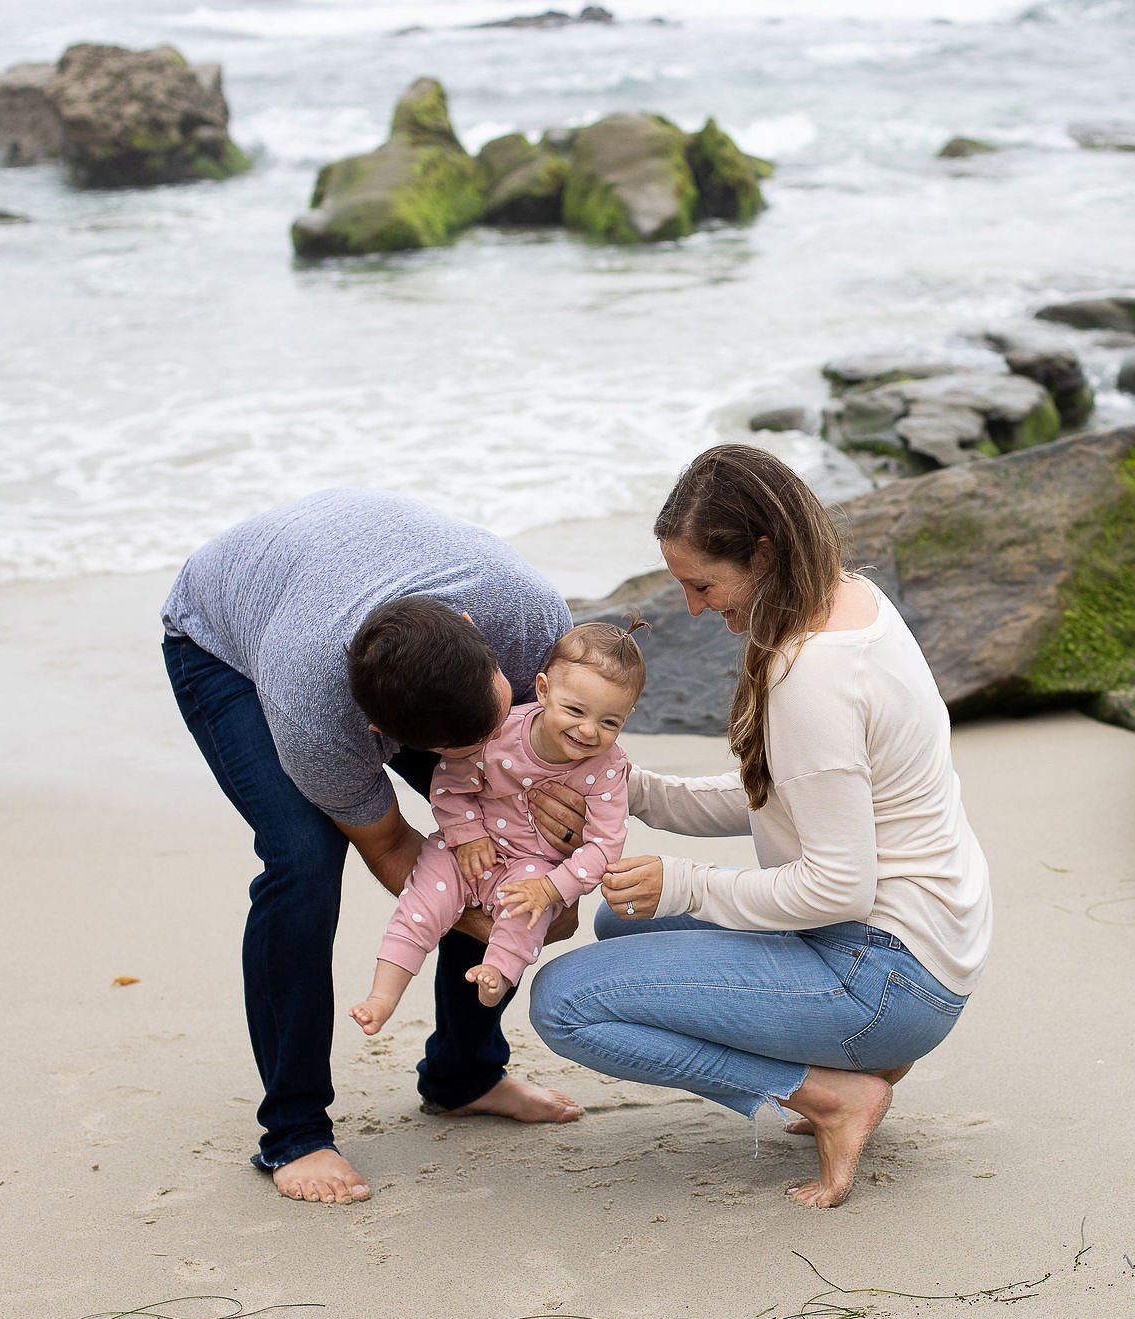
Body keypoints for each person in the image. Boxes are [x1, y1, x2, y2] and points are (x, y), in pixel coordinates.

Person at [528, 444, 992, 1208]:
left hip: (885, 975)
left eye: (703, 584)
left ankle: (829, 1094)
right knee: (623, 919)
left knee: (565, 1003)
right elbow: (780, 797)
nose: (695, 609)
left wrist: (684, 881)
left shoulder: (813, 675)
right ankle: (859, 1068)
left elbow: (840, 886)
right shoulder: (851, 601)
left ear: (765, 553)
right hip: (930, 943)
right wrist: (629, 789)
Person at [162, 488, 588, 1206]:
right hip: (222, 638)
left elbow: (569, 787)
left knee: (504, 828)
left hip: (347, 570)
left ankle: (465, 1075)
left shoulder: (531, 620)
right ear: (378, 735)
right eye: (459, 748)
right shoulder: (315, 710)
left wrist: (550, 875)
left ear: (475, 633)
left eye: (493, 718)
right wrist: (501, 924)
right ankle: (293, 1131)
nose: (486, 750)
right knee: (302, 859)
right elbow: (392, 845)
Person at [349, 623, 642, 1028]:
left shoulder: (608, 769)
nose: (589, 730)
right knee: (422, 904)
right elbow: (451, 785)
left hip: (534, 866)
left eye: (610, 722)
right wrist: (467, 835)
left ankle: (499, 973)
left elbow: (604, 847)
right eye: (575, 711)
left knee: (527, 910)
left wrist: (553, 887)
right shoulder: (502, 732)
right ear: (542, 690)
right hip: (469, 849)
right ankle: (382, 995)